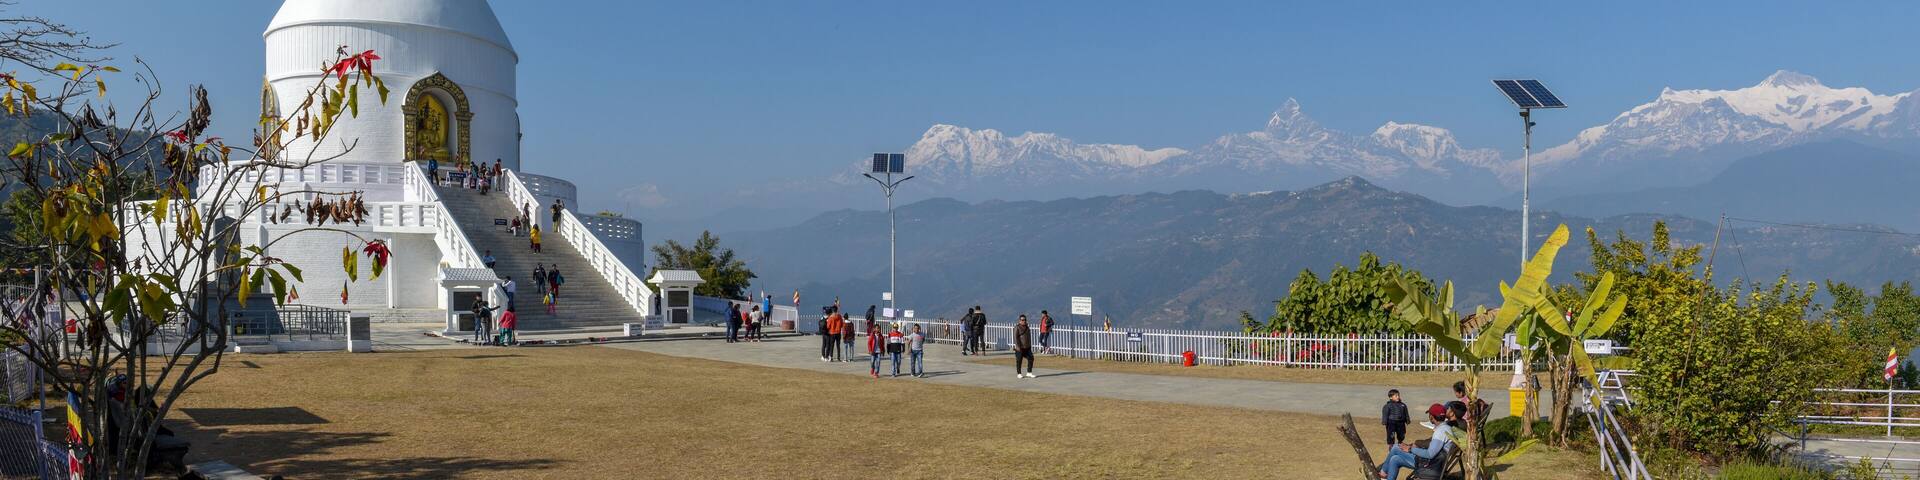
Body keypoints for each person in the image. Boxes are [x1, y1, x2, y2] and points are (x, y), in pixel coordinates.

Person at [1377, 403, 1461, 480]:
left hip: (1430, 465)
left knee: (1396, 447)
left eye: (1429, 415)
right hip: (1433, 462)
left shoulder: (1440, 432)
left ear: (1432, 417)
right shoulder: (1445, 428)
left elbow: (1430, 454)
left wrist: (1410, 449)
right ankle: (1384, 475)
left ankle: (1383, 473)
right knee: (1395, 459)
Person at [1013, 314, 1035, 378]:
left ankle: (1029, 372)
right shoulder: (1017, 327)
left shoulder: (1027, 327)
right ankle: (1019, 373)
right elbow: (1015, 337)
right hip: (1020, 347)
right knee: (1019, 360)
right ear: (1019, 321)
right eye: (1022, 320)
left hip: (1027, 347)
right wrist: (1017, 346)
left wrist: (1030, 345)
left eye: (1025, 320)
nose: (1024, 321)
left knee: (1031, 358)